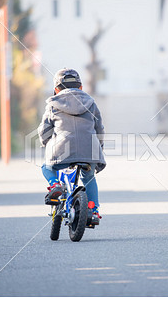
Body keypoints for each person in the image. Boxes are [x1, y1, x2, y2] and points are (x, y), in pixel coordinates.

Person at [38, 68, 106, 220]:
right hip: (89, 150)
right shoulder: (91, 102)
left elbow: (45, 130)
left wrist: (45, 142)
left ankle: (55, 185)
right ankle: (93, 211)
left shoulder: (53, 104)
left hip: (62, 150)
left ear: (56, 89)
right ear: (80, 87)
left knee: (47, 167)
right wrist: (99, 146)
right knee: (88, 177)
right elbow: (99, 128)